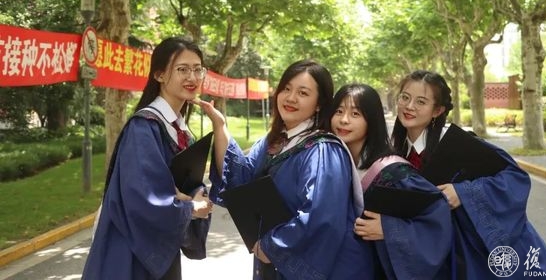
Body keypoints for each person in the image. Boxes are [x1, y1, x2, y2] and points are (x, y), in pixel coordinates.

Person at [209, 59, 374, 280]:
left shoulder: (322, 150)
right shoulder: (273, 142)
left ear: (319, 104)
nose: (291, 98)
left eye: (303, 93)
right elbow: (242, 180)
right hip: (272, 262)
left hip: (301, 264)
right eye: (286, 89)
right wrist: (220, 126)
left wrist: (272, 246)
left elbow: (319, 215)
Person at [390, 70, 546, 279]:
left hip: (476, 253)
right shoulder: (398, 153)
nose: (409, 106)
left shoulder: (461, 144)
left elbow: (515, 177)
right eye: (405, 97)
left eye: (421, 102)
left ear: (437, 110)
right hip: (436, 249)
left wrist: (462, 192)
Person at [83, 36, 227, 280]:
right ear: (159, 75)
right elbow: (142, 196)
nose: (192, 77)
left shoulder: (178, 129)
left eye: (197, 69)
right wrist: (190, 208)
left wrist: (195, 193)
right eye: (182, 69)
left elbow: (183, 181)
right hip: (131, 248)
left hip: (157, 246)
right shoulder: (143, 127)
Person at [328, 83, 452, 280]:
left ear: (372, 120)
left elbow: (438, 219)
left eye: (355, 114)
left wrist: (390, 229)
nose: (344, 120)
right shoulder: (332, 162)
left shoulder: (393, 172)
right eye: (339, 111)